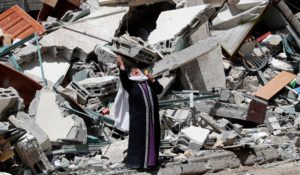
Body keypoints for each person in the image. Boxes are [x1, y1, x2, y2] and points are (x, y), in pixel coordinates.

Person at [116, 55, 163, 169]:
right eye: (132, 72)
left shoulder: (148, 83)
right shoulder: (131, 85)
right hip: (139, 120)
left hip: (152, 119)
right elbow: (123, 78)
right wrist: (121, 65)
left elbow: (159, 89)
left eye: (136, 70)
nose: (135, 71)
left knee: (152, 139)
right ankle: (138, 163)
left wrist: (152, 80)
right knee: (139, 141)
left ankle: (151, 162)